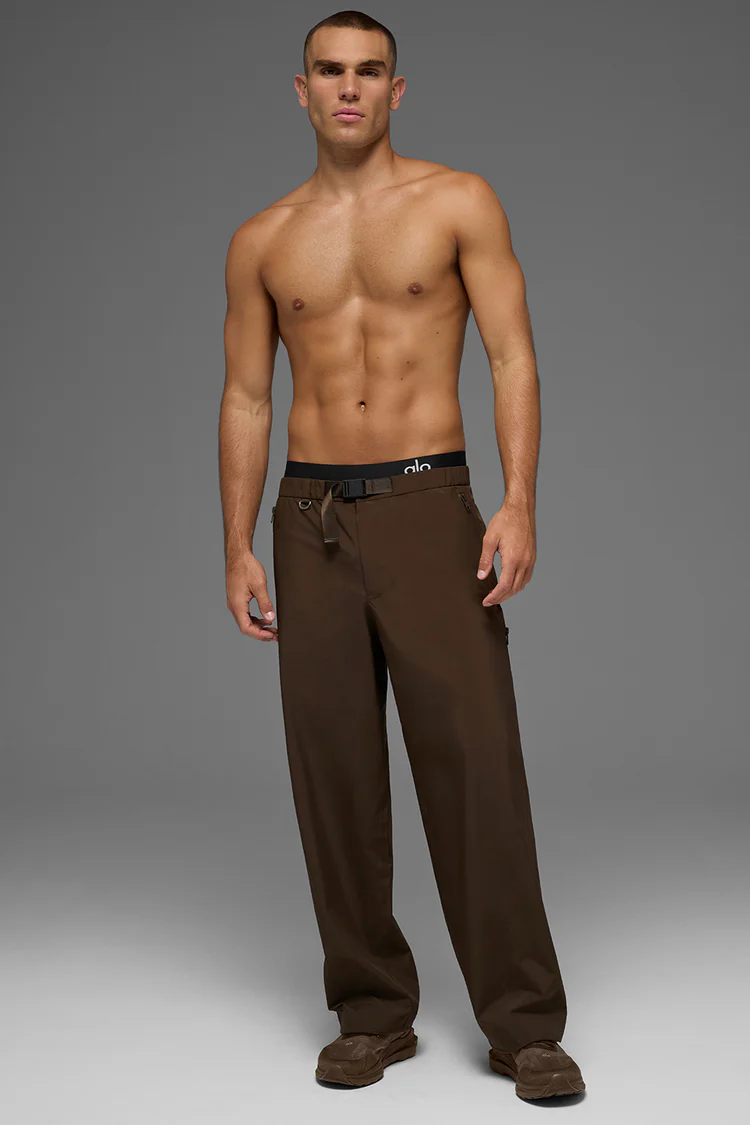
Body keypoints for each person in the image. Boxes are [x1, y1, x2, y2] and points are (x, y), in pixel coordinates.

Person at [218, 9, 585, 1101]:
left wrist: (518, 500)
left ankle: (525, 1025)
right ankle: (373, 1013)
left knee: (475, 761)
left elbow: (513, 355)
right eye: (329, 71)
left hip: (431, 501)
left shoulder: (458, 201)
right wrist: (236, 542)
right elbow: (247, 398)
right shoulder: (263, 239)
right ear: (300, 90)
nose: (349, 88)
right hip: (309, 517)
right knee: (332, 770)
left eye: (369, 71)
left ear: (396, 90)